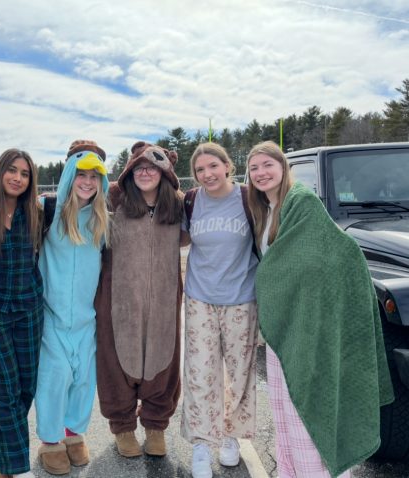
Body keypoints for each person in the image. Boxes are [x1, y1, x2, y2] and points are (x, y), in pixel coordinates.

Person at [246, 140, 394, 478]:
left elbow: (326, 255)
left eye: (267, 164)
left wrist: (271, 285)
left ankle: (315, 471)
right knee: (284, 404)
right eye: (254, 168)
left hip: (307, 324)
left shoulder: (301, 202)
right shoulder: (264, 210)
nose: (260, 173)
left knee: (306, 402)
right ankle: (291, 470)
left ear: (283, 167)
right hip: (285, 321)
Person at [94, 141, 184, 458]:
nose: (145, 172)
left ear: (165, 172)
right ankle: (123, 427)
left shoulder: (177, 207)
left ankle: (156, 426)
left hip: (163, 303)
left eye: (153, 167)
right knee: (115, 366)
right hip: (118, 303)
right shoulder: (114, 201)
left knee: (163, 363)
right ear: (130, 172)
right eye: (139, 167)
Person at [180, 142, 259, 478]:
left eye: (213, 166)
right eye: (200, 170)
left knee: (239, 373)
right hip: (200, 298)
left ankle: (230, 436)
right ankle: (201, 443)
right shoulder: (192, 201)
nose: (207, 174)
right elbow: (180, 239)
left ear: (228, 166)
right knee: (199, 374)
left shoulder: (248, 198)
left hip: (242, 298)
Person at [35, 140, 110, 475]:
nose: (88, 182)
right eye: (82, 174)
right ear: (69, 175)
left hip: (85, 317)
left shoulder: (102, 220)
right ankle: (50, 441)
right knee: (56, 376)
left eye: (95, 176)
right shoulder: (45, 210)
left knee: (83, 378)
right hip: (51, 315)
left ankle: (73, 434)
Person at [0, 149, 43, 478]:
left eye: (25, 173)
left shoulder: (36, 212)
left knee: (26, 388)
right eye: (12, 170)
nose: (18, 177)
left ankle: (2, 464)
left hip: (29, 309)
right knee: (5, 390)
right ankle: (18, 469)